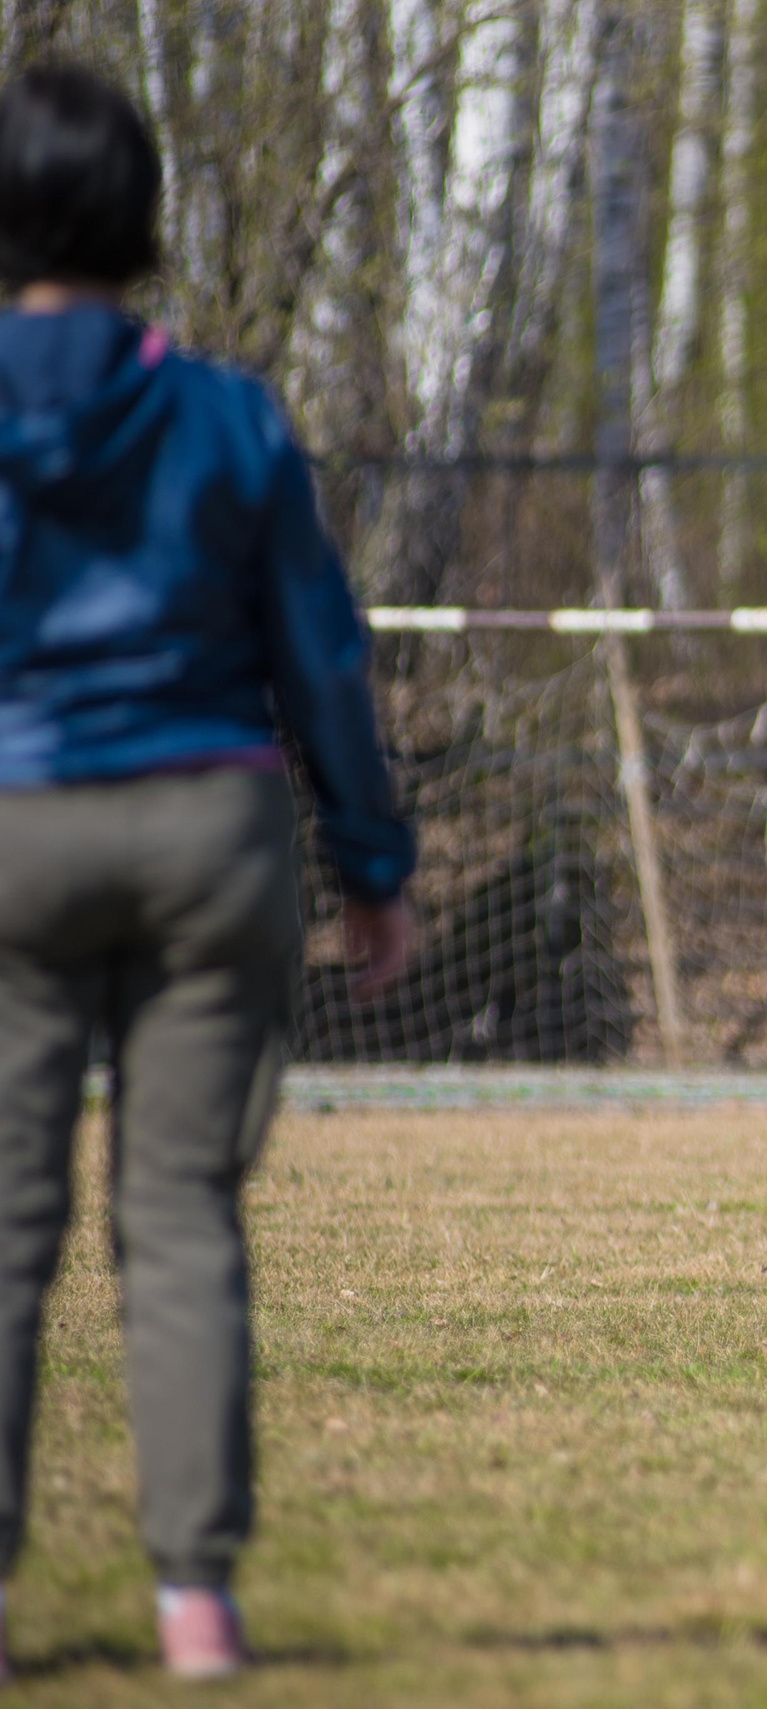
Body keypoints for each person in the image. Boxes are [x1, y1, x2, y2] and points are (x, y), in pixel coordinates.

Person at [0, 65, 414, 1680]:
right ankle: (195, 1597)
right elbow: (319, 651)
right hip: (210, 828)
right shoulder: (229, 412)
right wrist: (373, 856)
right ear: (145, 218)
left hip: (17, 820)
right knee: (177, 1212)